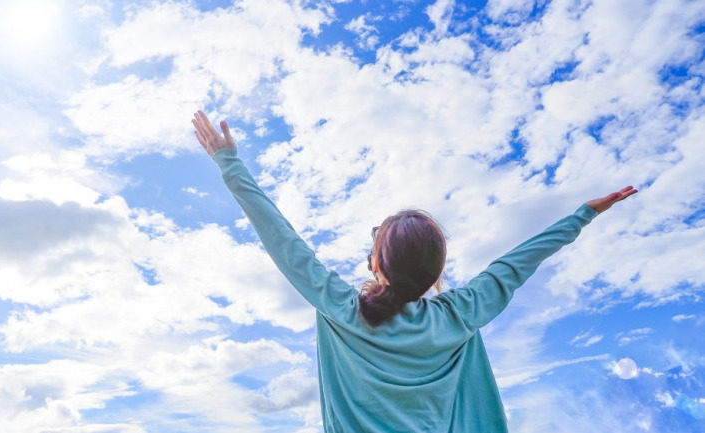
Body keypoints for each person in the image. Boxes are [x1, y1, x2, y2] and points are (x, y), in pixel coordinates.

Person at [191, 110, 637, 432]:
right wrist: (582, 215)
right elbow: (520, 261)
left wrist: (229, 163)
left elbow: (281, 238)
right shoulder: (460, 314)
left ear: (376, 265)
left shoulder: (342, 308)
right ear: (437, 270)